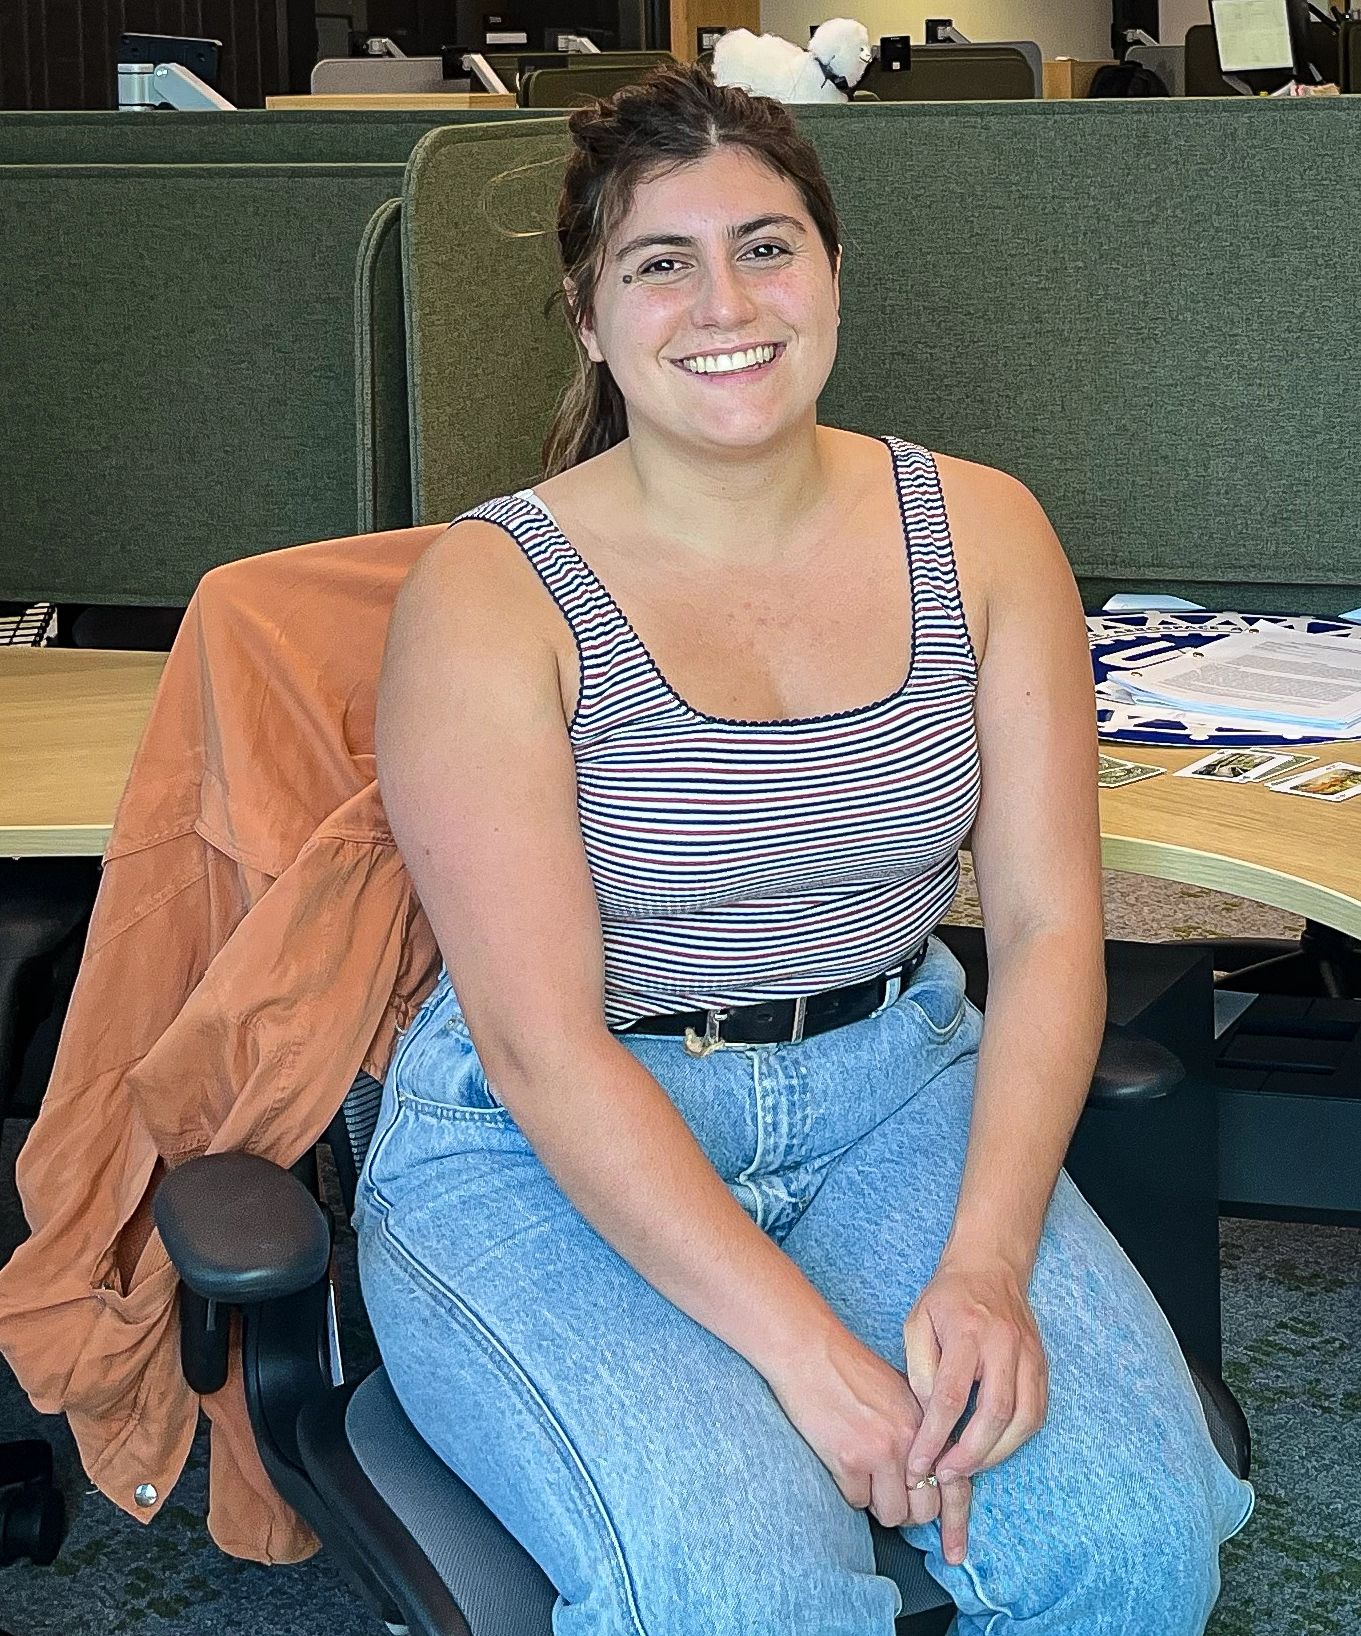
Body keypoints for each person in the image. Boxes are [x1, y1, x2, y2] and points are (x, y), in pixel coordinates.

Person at [356, 64, 1253, 1636]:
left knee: (1125, 1545)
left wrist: (982, 1267)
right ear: (589, 317)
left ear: (831, 272)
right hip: (547, 1148)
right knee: (749, 1596)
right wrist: (809, 1356)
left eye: (767, 246)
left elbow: (1046, 931)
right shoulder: (491, 595)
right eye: (661, 261)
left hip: (893, 1093)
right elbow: (540, 1044)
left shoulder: (982, 531)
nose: (726, 301)